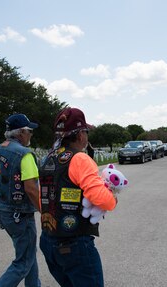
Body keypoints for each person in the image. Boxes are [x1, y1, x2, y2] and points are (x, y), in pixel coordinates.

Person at [38, 107, 117, 286]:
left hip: (49, 240)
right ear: (80, 135)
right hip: (74, 244)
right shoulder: (79, 159)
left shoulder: (48, 158)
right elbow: (102, 199)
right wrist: (113, 199)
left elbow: (42, 198)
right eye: (86, 132)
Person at [0, 113, 41, 287]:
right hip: (20, 214)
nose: (31, 135)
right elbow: (31, 189)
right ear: (21, 133)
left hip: (1, 211)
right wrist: (45, 211)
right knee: (23, 262)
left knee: (28, 253)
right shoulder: (25, 154)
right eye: (29, 131)